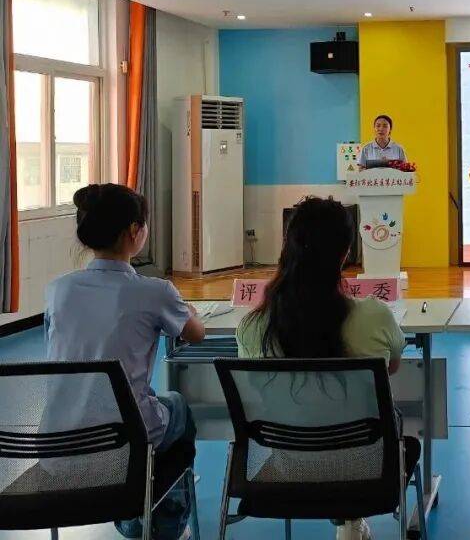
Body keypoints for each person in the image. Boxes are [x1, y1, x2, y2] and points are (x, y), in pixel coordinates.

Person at [236, 196, 407, 540]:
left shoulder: (253, 327)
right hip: (366, 465)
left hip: (282, 465)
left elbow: (254, 385)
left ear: (287, 248)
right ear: (345, 253)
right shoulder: (375, 316)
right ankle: (349, 520)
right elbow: (391, 366)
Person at [45, 183, 205, 540]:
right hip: (126, 440)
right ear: (134, 231)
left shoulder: (58, 290)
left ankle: (138, 508)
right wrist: (188, 311)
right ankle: (163, 521)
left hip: (58, 443)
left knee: (154, 409)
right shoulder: (155, 291)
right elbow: (195, 334)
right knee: (178, 408)